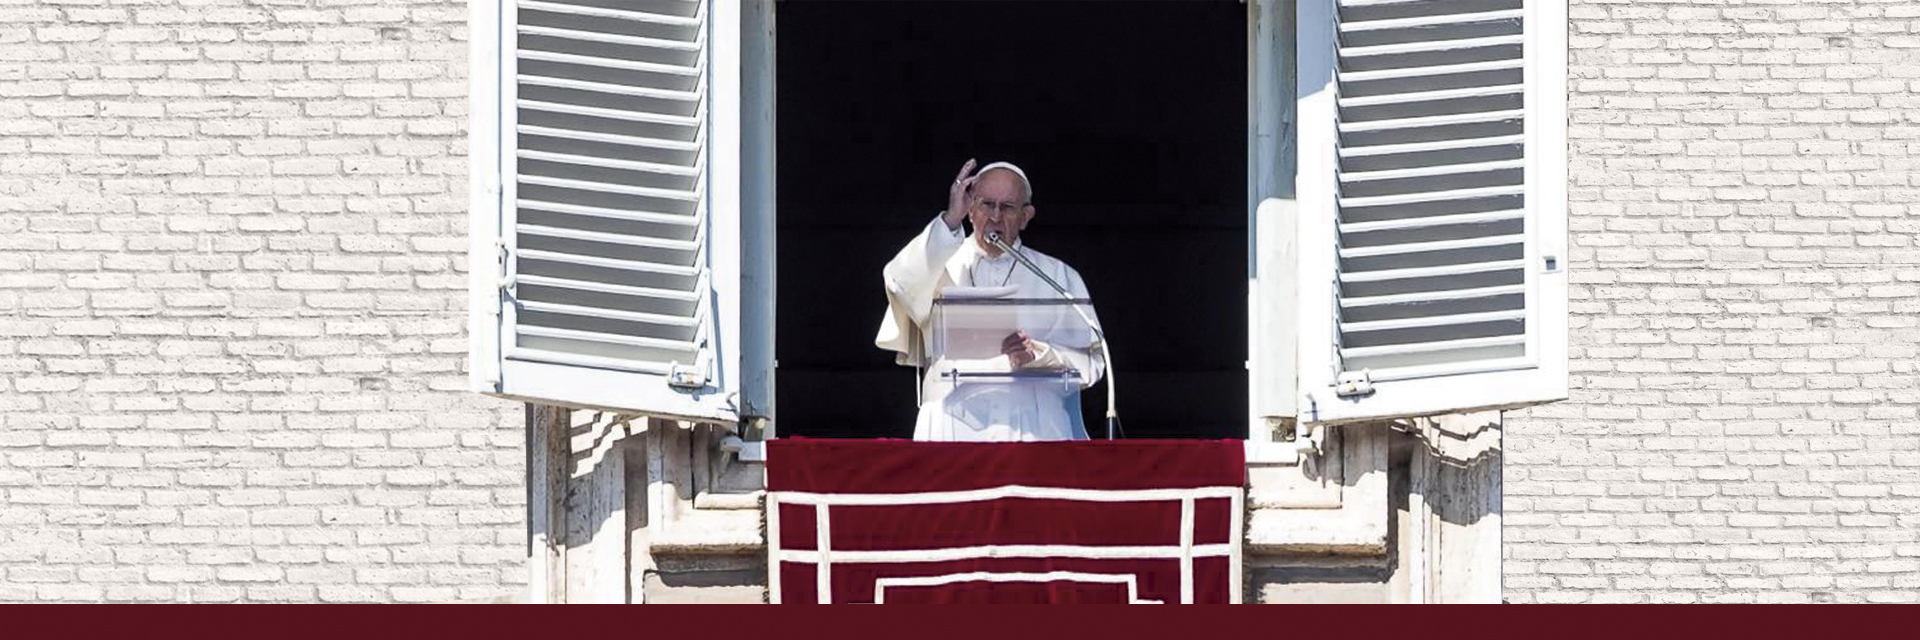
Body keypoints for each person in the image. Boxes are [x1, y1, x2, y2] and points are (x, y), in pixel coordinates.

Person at [874, 159, 1106, 441]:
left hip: (1033, 430)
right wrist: (950, 219)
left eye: (1007, 207)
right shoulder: (937, 262)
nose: (995, 216)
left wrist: (1036, 354)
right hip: (951, 429)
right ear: (970, 208)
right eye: (986, 204)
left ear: (1026, 216)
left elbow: (1092, 365)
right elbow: (900, 284)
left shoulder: (1057, 276)